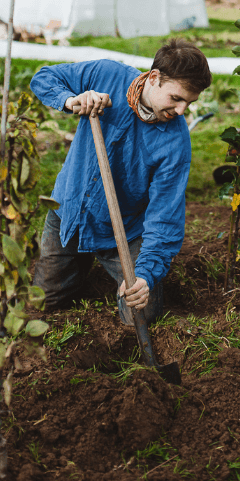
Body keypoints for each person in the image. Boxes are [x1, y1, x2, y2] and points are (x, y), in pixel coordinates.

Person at [30, 39, 211, 325]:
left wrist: (146, 276)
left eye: (189, 103)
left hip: (123, 232)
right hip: (70, 211)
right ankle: (78, 270)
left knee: (141, 313)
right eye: (176, 98)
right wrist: (72, 100)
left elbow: (164, 217)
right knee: (43, 302)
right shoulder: (106, 74)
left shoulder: (175, 142)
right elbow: (44, 78)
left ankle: (110, 274)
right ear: (154, 78)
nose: (181, 111)